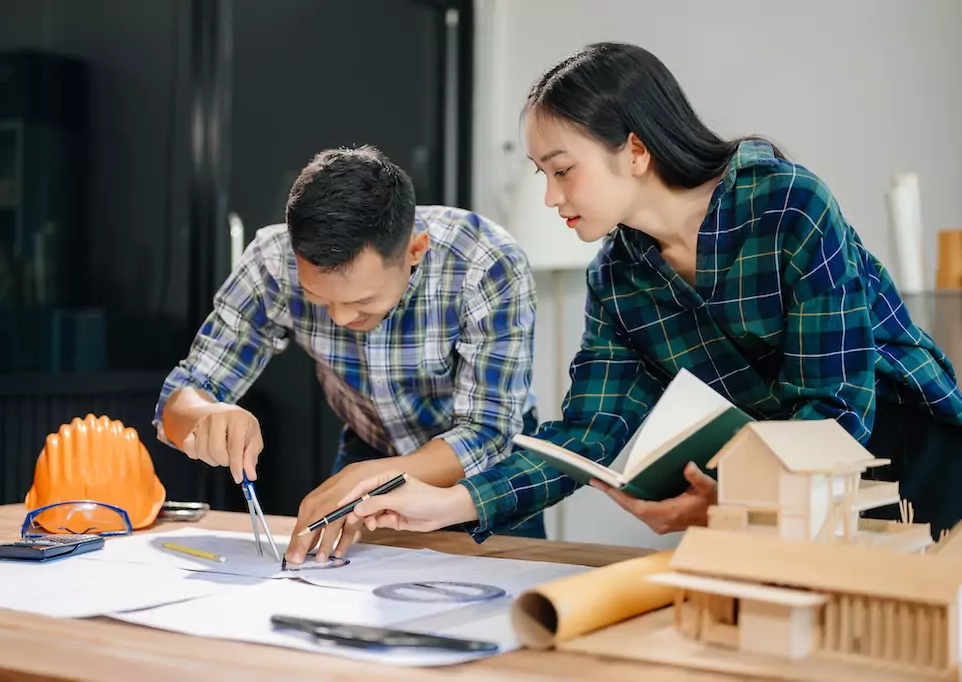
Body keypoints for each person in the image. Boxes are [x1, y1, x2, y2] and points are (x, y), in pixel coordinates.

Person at [334, 41, 962, 549]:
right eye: (541, 175)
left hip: (906, 456)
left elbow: (836, 410)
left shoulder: (788, 205)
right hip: (780, 487)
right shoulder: (618, 277)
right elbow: (588, 431)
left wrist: (736, 491)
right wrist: (450, 501)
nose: (551, 197)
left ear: (634, 150)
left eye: (561, 169)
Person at [153, 145, 545, 562]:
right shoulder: (272, 262)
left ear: (414, 251)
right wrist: (205, 416)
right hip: (369, 450)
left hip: (485, 473)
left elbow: (487, 431)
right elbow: (184, 392)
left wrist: (375, 477)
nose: (340, 319)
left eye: (363, 302)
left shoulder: (486, 263)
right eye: (318, 299)